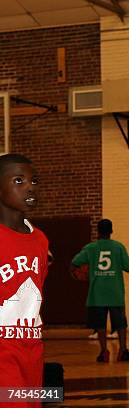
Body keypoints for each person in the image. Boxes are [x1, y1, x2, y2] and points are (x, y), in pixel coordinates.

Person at [0, 154, 49, 408]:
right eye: (18, 180)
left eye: (34, 181)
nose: (30, 186)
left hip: (32, 350)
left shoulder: (40, 240)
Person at [71, 219, 129, 363]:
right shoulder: (119, 247)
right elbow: (127, 266)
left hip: (97, 293)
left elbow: (75, 261)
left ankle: (103, 352)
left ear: (98, 231)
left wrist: (84, 271)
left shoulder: (90, 248)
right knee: (121, 324)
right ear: (111, 231)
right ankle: (123, 351)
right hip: (115, 292)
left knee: (100, 325)